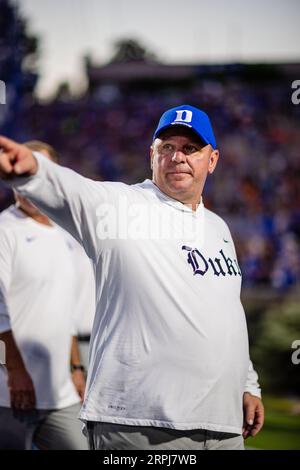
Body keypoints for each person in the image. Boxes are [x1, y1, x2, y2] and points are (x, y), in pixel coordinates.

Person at [0, 105, 264, 450]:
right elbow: (73, 191)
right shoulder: (122, 207)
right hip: (140, 424)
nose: (177, 157)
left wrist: (247, 384)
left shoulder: (218, 227)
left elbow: (225, 309)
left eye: (190, 148)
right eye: (166, 147)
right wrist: (32, 171)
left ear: (212, 160)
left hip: (222, 424)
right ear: (151, 155)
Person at [0, 141, 90, 450]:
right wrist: (14, 372)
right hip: (9, 393)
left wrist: (76, 367)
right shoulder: (4, 230)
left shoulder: (65, 234)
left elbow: (62, 312)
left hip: (60, 394)